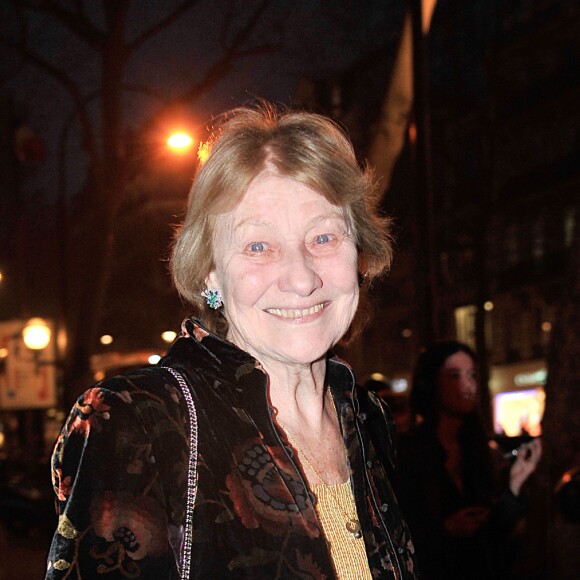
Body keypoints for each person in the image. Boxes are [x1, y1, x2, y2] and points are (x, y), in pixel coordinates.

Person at [45, 103, 418, 579]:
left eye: (324, 238)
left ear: (359, 255)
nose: (301, 279)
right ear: (209, 272)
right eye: (258, 246)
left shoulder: (368, 420)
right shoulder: (137, 422)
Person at [396, 341, 542, 580]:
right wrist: (444, 529)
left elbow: (496, 534)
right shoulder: (410, 452)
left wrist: (515, 487)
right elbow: (401, 535)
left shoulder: (479, 450)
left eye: (472, 374)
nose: (468, 384)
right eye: (454, 375)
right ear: (433, 382)